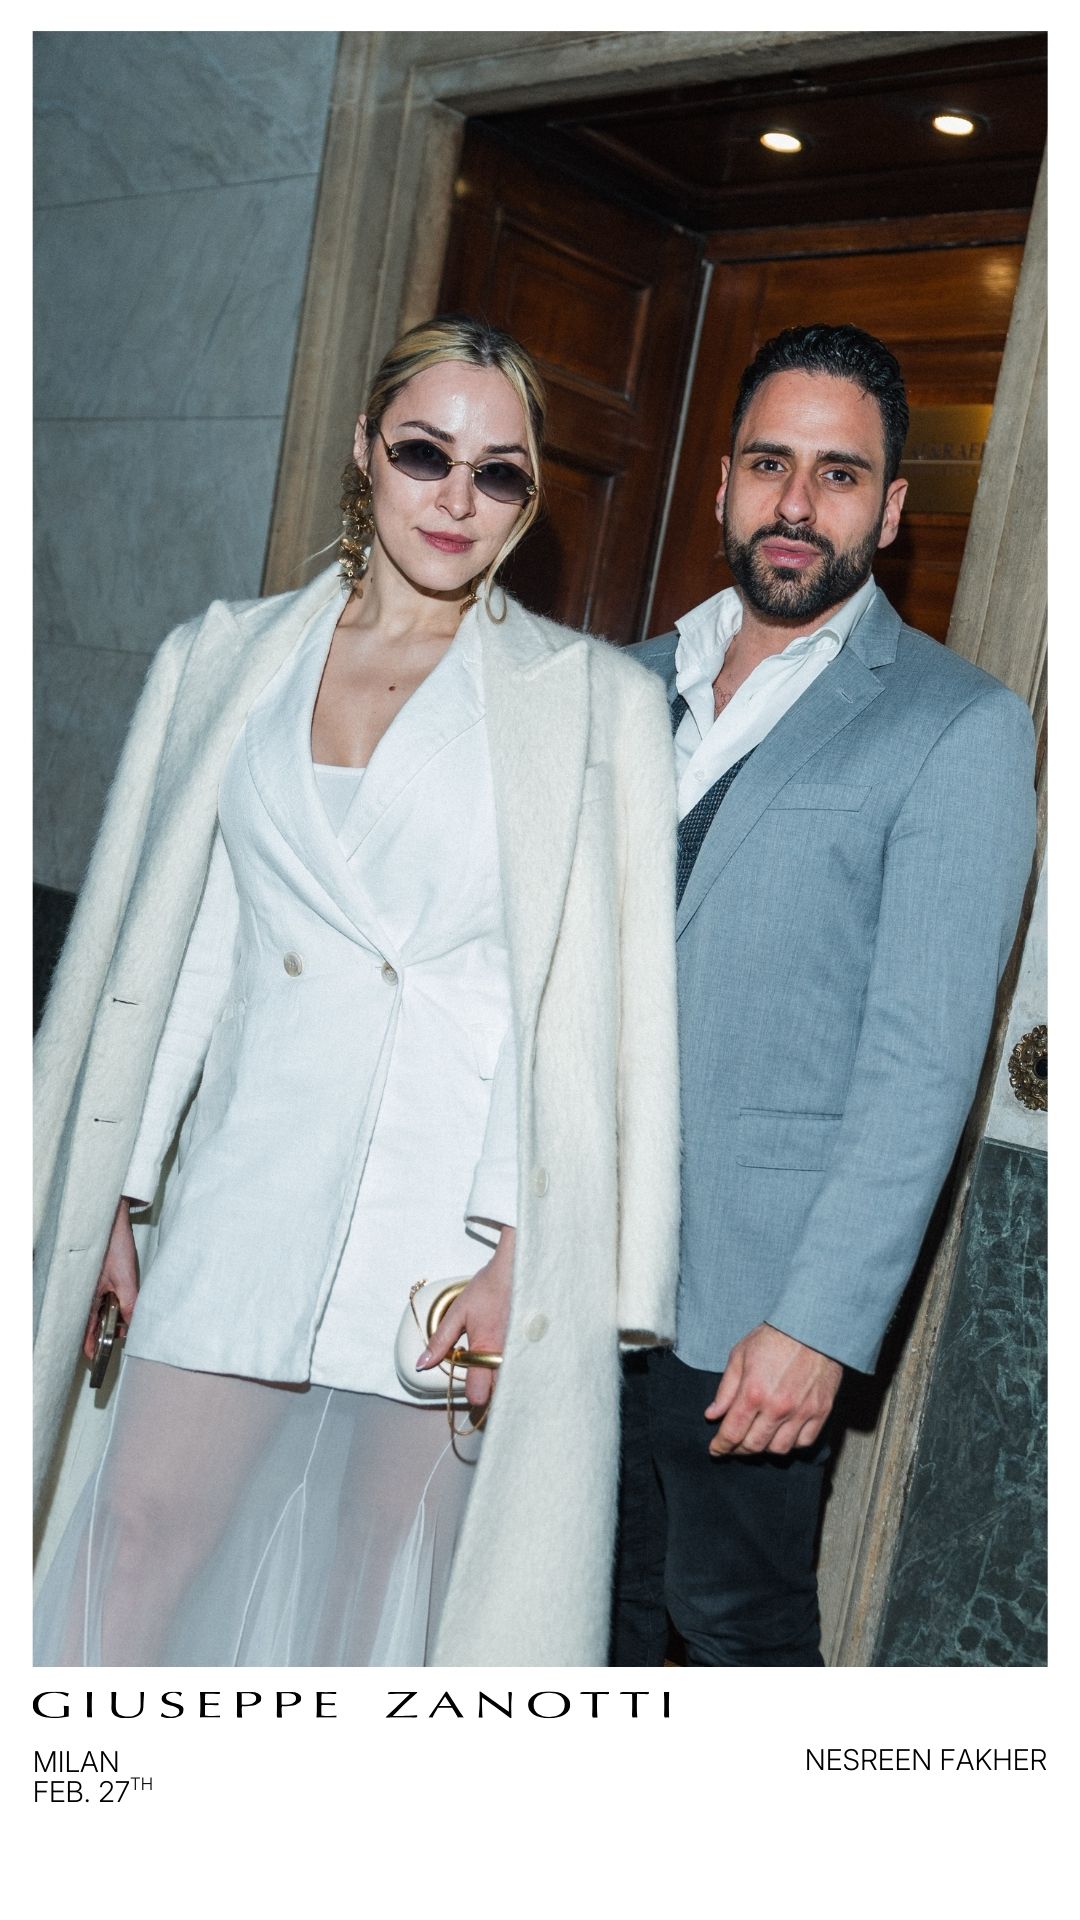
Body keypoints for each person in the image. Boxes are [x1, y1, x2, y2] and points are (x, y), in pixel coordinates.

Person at [33, 313, 680, 1668]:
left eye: (498, 472)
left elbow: (568, 1015)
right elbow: (186, 953)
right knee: (135, 1538)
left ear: (530, 497)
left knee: (382, 1598)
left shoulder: (589, 705)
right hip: (250, 1179)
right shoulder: (228, 657)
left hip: (446, 1222)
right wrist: (120, 1197)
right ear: (363, 450)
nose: (456, 498)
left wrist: (515, 1253)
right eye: (425, 453)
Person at [611, 322, 1036, 1667]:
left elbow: (923, 1067)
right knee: (574, 1622)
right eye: (770, 465)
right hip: (568, 1269)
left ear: (891, 509)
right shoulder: (619, 682)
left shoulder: (955, 724)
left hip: (754, 1301)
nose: (797, 504)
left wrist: (819, 1324)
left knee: (729, 1629)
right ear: (722, 484)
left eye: (839, 474)